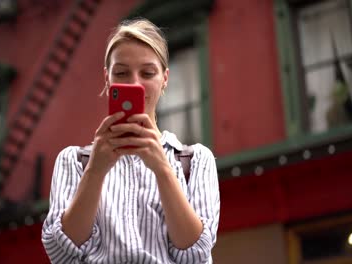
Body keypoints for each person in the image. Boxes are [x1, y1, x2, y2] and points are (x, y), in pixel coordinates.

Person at [42, 18, 220, 264]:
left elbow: (196, 254)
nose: (134, 83)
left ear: (165, 78)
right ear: (107, 78)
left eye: (148, 73)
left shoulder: (196, 160)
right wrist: (95, 170)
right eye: (122, 72)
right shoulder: (73, 160)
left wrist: (162, 170)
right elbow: (60, 253)